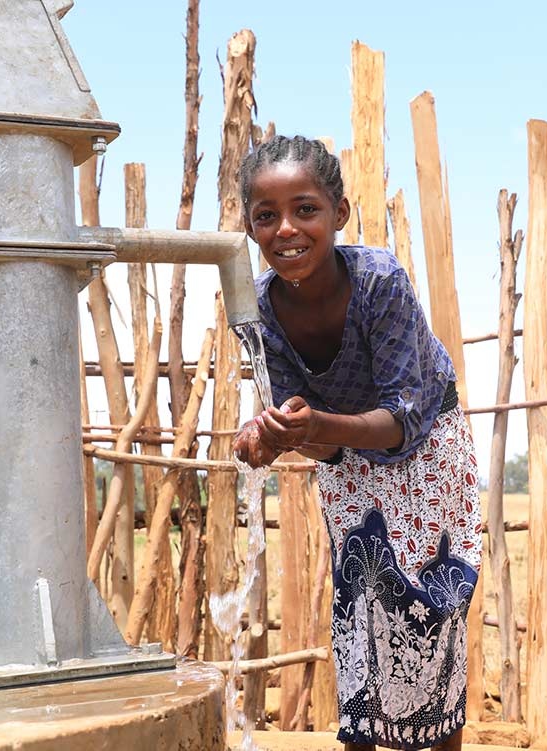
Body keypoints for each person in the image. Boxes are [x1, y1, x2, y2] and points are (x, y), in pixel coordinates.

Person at [232, 134, 482, 751]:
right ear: (250, 227)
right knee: (361, 607)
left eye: (305, 209)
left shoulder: (379, 284)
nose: (286, 228)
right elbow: (312, 436)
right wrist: (273, 437)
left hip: (427, 454)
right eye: (267, 216)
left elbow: (402, 421)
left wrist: (314, 426)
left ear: (339, 213)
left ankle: (441, 740)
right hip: (347, 456)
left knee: (430, 607)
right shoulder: (257, 310)